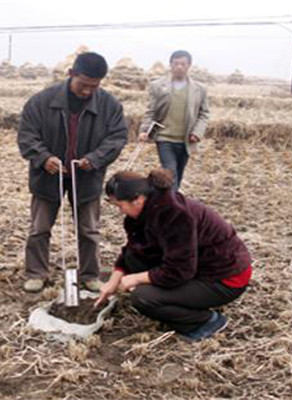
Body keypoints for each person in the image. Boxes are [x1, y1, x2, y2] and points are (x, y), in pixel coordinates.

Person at [95, 169, 252, 342]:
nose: (120, 211)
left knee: (143, 298)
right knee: (134, 259)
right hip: (196, 266)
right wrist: (113, 280)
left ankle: (206, 322)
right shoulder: (143, 211)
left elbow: (179, 271)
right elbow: (133, 249)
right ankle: (184, 300)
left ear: (138, 199)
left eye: (120, 205)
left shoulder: (176, 216)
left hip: (224, 278)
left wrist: (137, 279)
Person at [18, 52, 128, 293]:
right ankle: (37, 273)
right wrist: (43, 157)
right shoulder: (42, 101)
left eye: (94, 86)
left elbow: (117, 137)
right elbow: (27, 135)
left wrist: (95, 159)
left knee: (89, 230)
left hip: (87, 178)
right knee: (40, 228)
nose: (88, 91)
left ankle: (89, 274)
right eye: (83, 85)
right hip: (47, 178)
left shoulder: (109, 105)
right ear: (71, 74)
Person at [138, 50, 209, 191]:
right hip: (164, 138)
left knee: (178, 174)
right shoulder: (158, 86)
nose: (179, 67)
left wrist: (197, 132)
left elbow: (204, 114)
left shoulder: (199, 89)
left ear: (189, 65)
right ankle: (173, 205)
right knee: (171, 173)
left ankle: (171, 200)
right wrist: (144, 130)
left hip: (186, 139)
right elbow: (151, 111)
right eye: (176, 63)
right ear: (170, 65)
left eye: (183, 64)